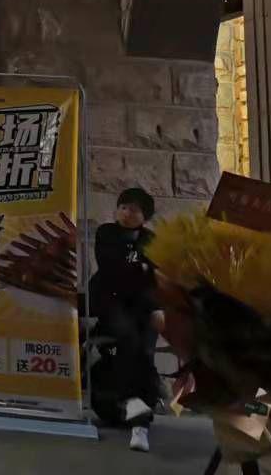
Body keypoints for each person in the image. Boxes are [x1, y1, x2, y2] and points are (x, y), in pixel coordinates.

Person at [88, 186, 162, 453]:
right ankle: (139, 421)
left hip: (141, 305)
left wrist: (141, 274)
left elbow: (155, 276)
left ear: (145, 216)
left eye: (135, 209)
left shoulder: (152, 240)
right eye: (124, 207)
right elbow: (110, 268)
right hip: (110, 301)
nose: (128, 213)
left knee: (146, 351)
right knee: (129, 341)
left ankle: (140, 410)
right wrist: (140, 268)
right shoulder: (106, 232)